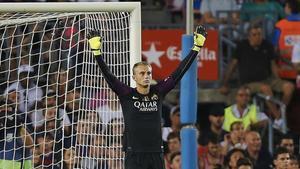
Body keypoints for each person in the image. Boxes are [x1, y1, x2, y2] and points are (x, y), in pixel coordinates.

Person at [87, 25, 207, 169]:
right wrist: (96, 52)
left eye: (148, 73)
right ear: (134, 77)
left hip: (156, 153)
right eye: (142, 73)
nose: (146, 76)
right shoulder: (127, 94)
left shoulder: (159, 91)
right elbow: (109, 77)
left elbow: (178, 72)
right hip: (134, 154)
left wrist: (196, 48)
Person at [220, 23, 294, 127]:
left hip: (268, 79)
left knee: (289, 87)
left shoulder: (267, 45)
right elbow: (232, 65)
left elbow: (273, 65)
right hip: (249, 83)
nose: (257, 37)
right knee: (265, 88)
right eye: (254, 34)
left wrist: (278, 80)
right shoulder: (242, 46)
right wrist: (224, 84)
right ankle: (278, 118)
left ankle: (280, 116)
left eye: (259, 34)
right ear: (249, 36)